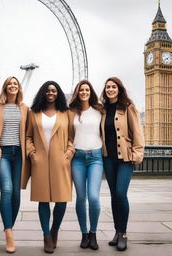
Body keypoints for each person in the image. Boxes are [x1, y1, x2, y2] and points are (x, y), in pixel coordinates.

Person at [24, 81, 74, 254]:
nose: (50, 93)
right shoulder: (33, 113)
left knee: (61, 200)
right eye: (47, 90)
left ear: (58, 93)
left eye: (53, 90)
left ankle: (55, 230)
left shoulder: (66, 113)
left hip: (61, 160)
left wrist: (69, 151)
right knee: (43, 200)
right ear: (42, 93)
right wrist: (31, 154)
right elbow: (28, 136)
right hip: (40, 161)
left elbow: (72, 137)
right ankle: (46, 236)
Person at [100, 77, 144, 251]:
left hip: (125, 158)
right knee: (113, 196)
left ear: (119, 89)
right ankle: (117, 232)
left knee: (120, 194)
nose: (110, 89)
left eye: (113, 87)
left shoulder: (128, 108)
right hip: (108, 158)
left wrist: (137, 154)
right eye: (108, 87)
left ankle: (123, 233)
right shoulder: (102, 110)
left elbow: (137, 133)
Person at [0, 76, 28, 253]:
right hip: (3, 152)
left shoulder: (25, 108)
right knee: (7, 189)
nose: (13, 86)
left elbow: (30, 132)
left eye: (15, 84)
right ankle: (9, 233)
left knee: (17, 195)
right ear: (5, 88)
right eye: (9, 84)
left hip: (19, 154)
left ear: (19, 88)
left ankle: (8, 226)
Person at [68, 80, 103, 250]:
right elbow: (67, 135)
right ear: (77, 92)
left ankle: (93, 233)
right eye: (81, 90)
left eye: (87, 89)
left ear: (91, 92)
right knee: (81, 198)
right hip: (78, 158)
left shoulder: (99, 111)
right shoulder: (72, 112)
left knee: (94, 197)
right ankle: (84, 234)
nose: (84, 92)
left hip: (96, 157)